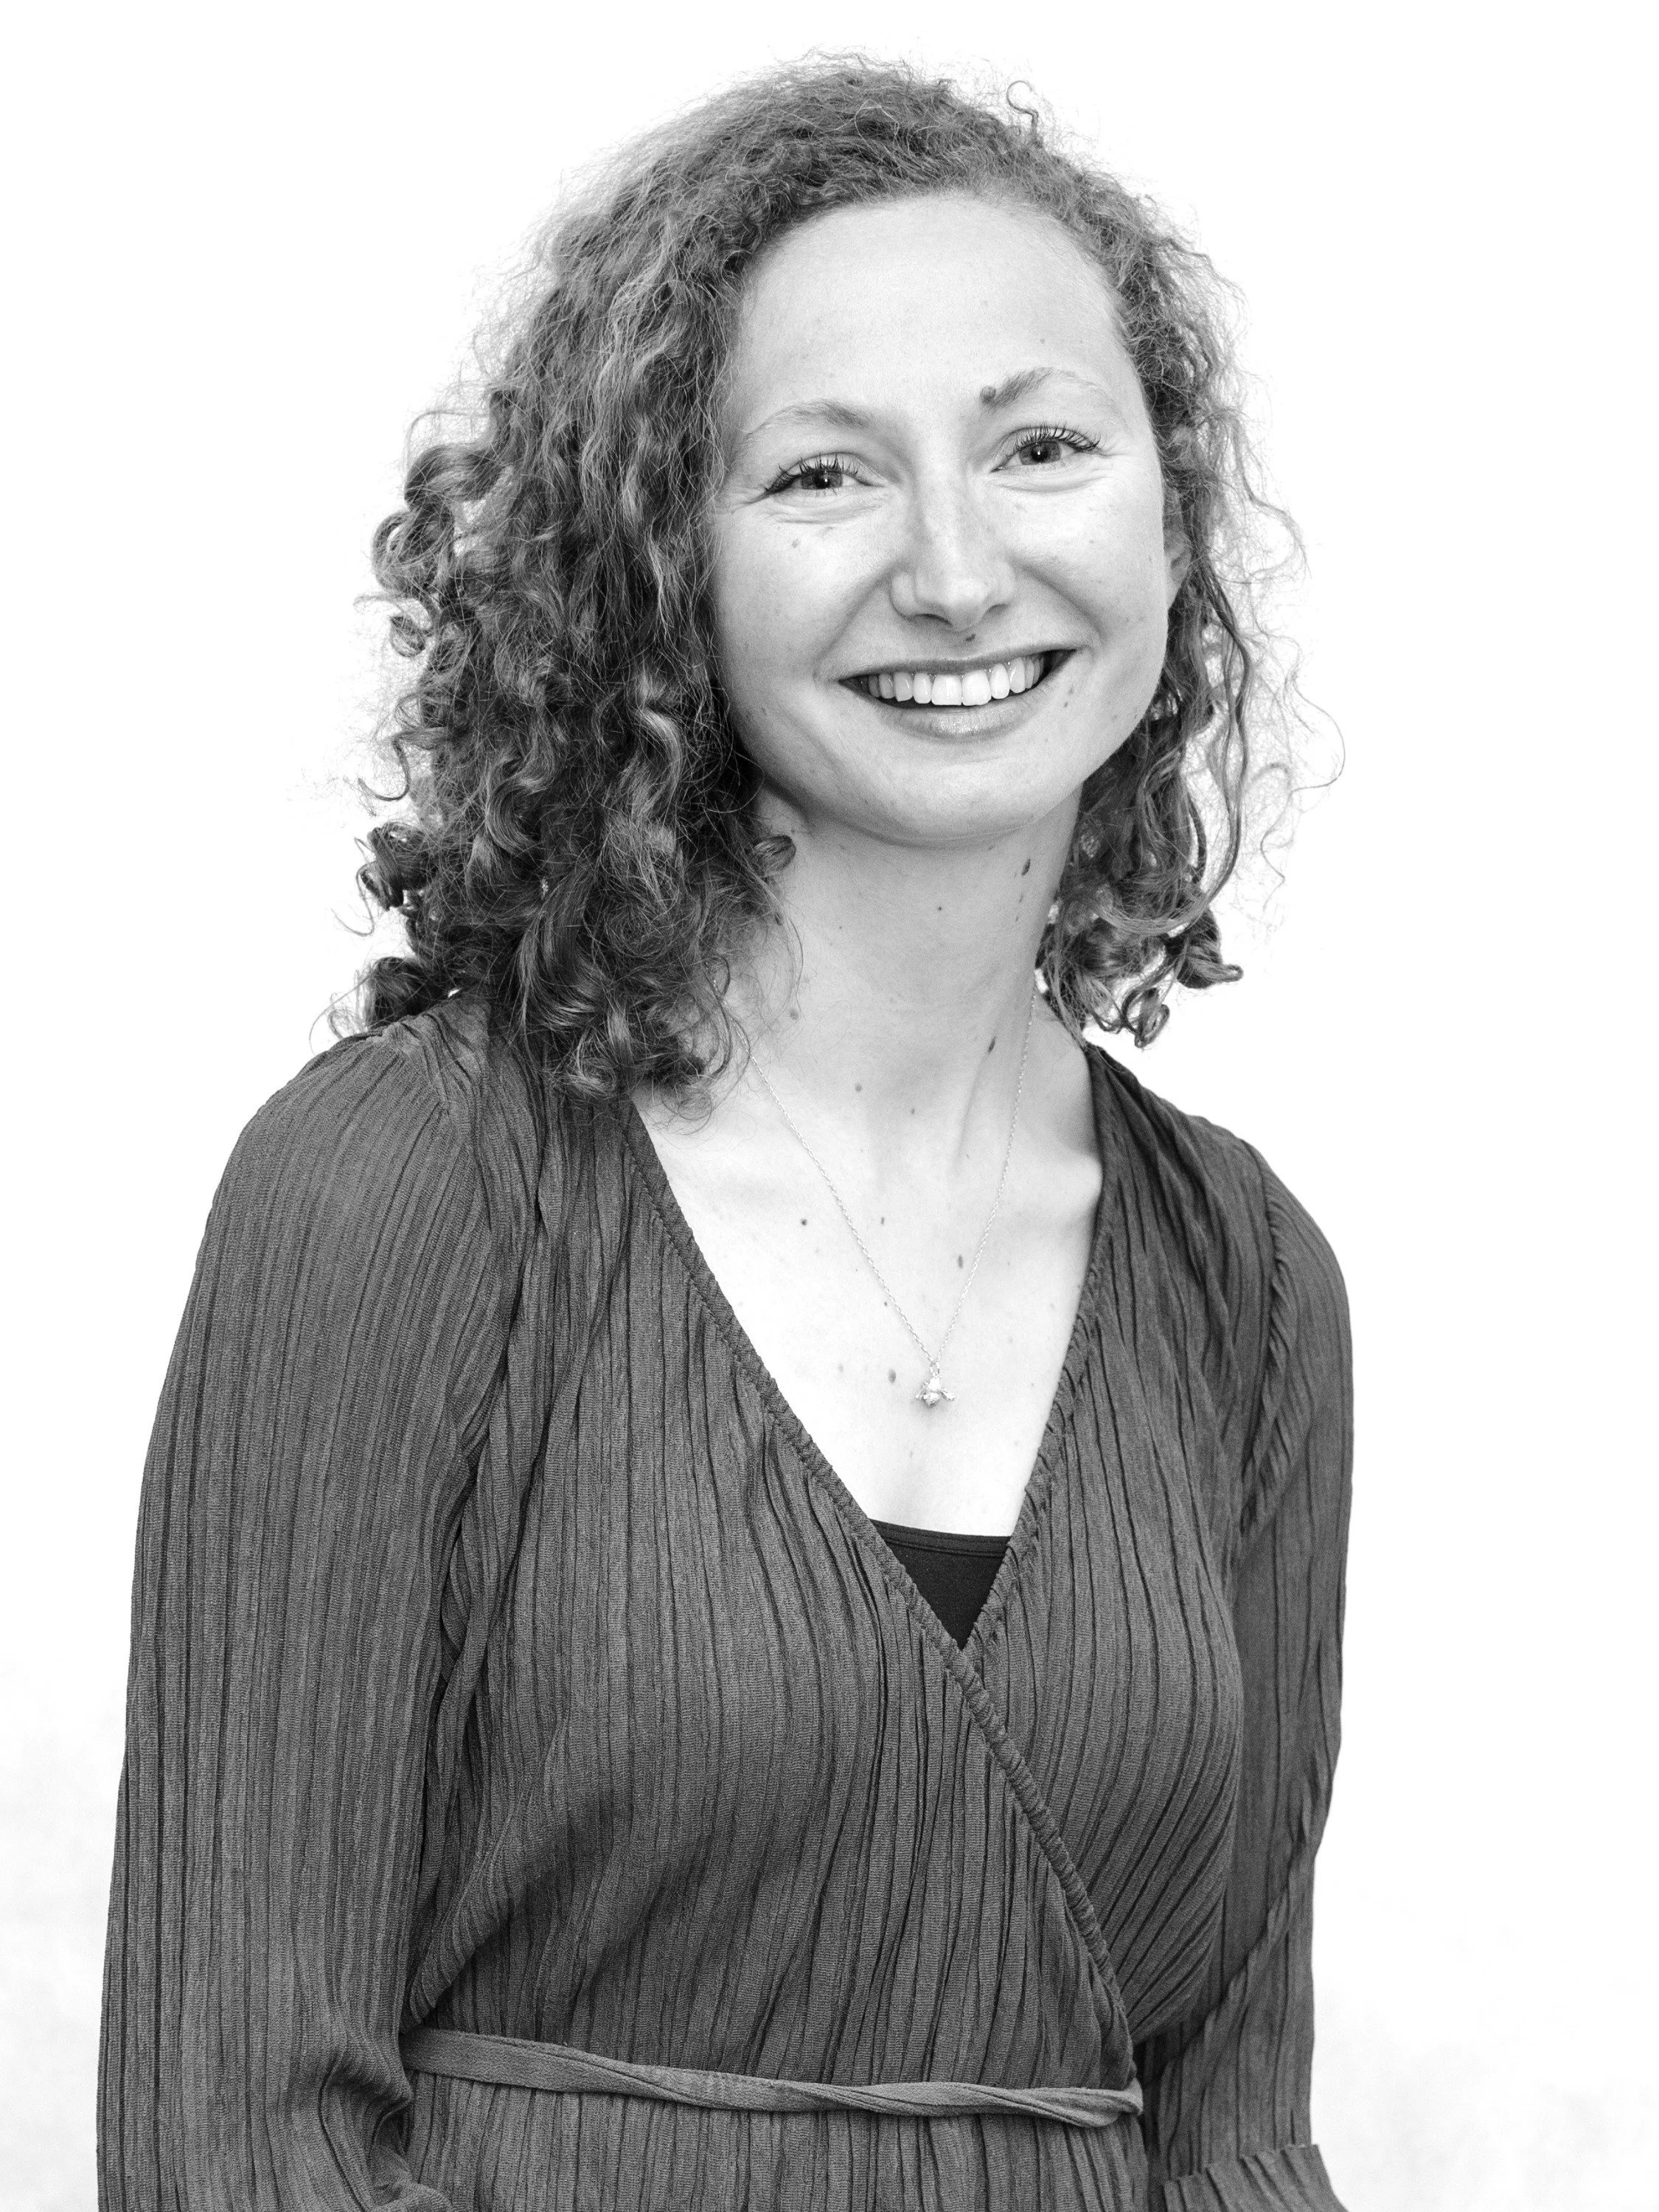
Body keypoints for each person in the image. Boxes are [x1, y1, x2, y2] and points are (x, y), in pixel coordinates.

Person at [99, 57, 1353, 2212]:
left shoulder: (1246, 1280)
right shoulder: (406, 1194)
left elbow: (1233, 2145)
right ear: (651, 572)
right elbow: (237, 2136)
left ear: (1167, 522)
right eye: (822, 477)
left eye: (1043, 445)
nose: (957, 572)